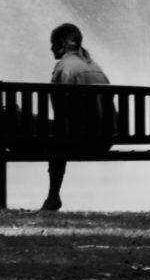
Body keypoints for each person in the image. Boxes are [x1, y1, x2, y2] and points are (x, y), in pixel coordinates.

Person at [42, 22, 109, 212]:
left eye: (54, 44)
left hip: (79, 138)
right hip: (105, 139)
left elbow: (59, 108)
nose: (51, 48)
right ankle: (52, 196)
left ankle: (53, 195)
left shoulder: (65, 67)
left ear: (63, 44)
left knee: (27, 123)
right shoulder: (96, 68)